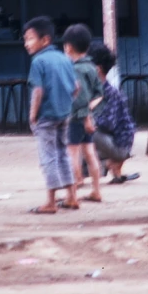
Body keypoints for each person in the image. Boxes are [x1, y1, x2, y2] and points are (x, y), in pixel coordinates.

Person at [23, 15, 79, 214]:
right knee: (63, 153)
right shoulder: (65, 59)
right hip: (64, 115)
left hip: (45, 117)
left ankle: (50, 202)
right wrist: (66, 102)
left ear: (45, 40)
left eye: (29, 38)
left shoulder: (38, 62)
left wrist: (32, 115)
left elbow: (38, 91)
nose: (26, 44)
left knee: (48, 157)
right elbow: (76, 87)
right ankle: (72, 196)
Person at [61, 24, 104, 202]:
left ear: (68, 47)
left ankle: (72, 193)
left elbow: (80, 97)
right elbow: (99, 94)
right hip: (88, 116)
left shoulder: (75, 69)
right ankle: (96, 190)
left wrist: (85, 117)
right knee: (90, 153)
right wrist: (91, 114)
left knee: (72, 154)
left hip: (76, 118)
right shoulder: (92, 67)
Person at [88, 42, 139, 184]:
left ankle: (114, 162)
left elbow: (108, 124)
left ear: (97, 69)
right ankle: (109, 165)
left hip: (120, 146)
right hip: (110, 142)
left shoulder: (109, 93)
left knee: (83, 131)